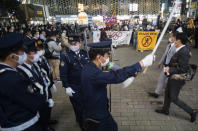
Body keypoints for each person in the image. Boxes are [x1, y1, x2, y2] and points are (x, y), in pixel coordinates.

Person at [81, 41, 155, 131]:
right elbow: (115, 77)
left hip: (96, 108)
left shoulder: (90, 66)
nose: (108, 57)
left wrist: (129, 74)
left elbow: (111, 71)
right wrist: (141, 63)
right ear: (99, 57)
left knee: (113, 126)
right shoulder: (93, 73)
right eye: (107, 55)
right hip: (96, 114)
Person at [0, 33, 48, 131]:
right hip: (23, 125)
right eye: (22, 51)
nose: (25, 55)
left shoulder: (5, 72)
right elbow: (35, 101)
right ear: (13, 57)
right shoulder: (11, 78)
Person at [155, 33, 198, 123]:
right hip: (172, 76)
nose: (172, 39)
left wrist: (170, 69)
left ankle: (192, 111)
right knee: (167, 93)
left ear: (178, 40)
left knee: (174, 98)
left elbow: (183, 68)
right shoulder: (179, 49)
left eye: (174, 38)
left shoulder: (184, 51)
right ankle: (165, 110)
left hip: (177, 78)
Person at [17, 40, 54, 131]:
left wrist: (48, 96)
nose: (37, 54)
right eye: (34, 53)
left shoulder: (35, 65)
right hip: (36, 102)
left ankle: (46, 125)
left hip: (43, 99)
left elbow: (43, 79)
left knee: (45, 118)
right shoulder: (20, 70)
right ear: (26, 55)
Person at [59, 34, 89, 130]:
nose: (72, 45)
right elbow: (63, 73)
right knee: (78, 106)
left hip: (85, 85)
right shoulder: (65, 55)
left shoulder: (85, 53)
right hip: (74, 86)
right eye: (70, 43)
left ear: (79, 43)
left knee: (86, 104)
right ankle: (82, 123)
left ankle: (83, 119)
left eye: (74, 43)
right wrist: (66, 86)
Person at [148, 32, 177, 98]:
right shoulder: (169, 45)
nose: (170, 37)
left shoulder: (177, 46)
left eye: (171, 36)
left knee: (170, 81)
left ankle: (171, 94)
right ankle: (157, 93)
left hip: (171, 67)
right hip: (165, 65)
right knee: (161, 79)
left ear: (175, 37)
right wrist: (160, 62)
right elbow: (165, 54)